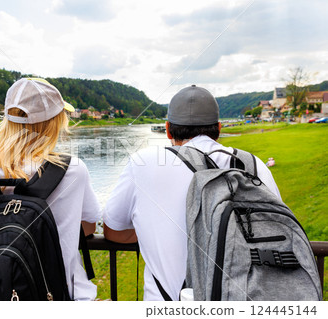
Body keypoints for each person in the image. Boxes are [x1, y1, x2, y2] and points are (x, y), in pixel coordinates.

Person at [103, 85, 281, 300]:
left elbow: (113, 231)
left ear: (168, 129)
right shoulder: (254, 165)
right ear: (218, 128)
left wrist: (154, 234)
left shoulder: (143, 163)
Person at [0, 78, 101, 301]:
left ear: (7, 119)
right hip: (60, 293)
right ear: (55, 122)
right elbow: (88, 227)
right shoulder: (72, 170)